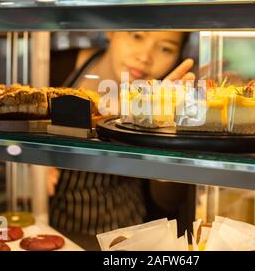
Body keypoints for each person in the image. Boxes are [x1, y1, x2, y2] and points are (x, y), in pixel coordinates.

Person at [48, 31, 195, 235]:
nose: (144, 57)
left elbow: (168, 201)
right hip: (44, 230)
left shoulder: (164, 101)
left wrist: (161, 129)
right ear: (112, 31)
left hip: (124, 235)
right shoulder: (53, 66)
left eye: (165, 48)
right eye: (137, 37)